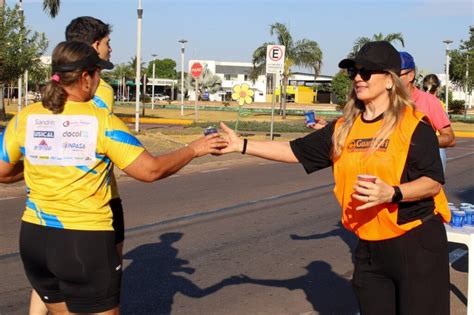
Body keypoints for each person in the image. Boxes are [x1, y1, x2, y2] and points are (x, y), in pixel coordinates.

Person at [219, 41, 451, 314]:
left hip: (416, 243)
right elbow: (295, 150)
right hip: (370, 247)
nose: (358, 78)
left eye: (367, 72)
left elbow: (433, 182)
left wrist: (392, 193)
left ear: (390, 80)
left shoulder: (414, 124)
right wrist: (242, 145)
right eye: (354, 72)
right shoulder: (343, 128)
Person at [0, 41, 226, 314]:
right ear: (85, 78)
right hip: (83, 243)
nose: (99, 80)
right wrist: (194, 149)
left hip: (35, 239)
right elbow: (150, 170)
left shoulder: (25, 118)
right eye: (98, 73)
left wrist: (48, 162)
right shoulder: (101, 122)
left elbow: (3, 171)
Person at [28, 16, 124, 315]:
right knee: (104, 283)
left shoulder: (46, 98)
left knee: (49, 282)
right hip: (96, 203)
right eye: (107, 43)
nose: (110, 49)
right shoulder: (100, 90)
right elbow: (106, 142)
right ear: (95, 46)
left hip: (41, 213)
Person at [399, 52, 455, 172]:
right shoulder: (384, 101)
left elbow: (450, 138)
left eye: (396, 75)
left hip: (420, 174)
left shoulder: (429, 101)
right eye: (388, 75)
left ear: (411, 75)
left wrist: (418, 142)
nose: (391, 79)